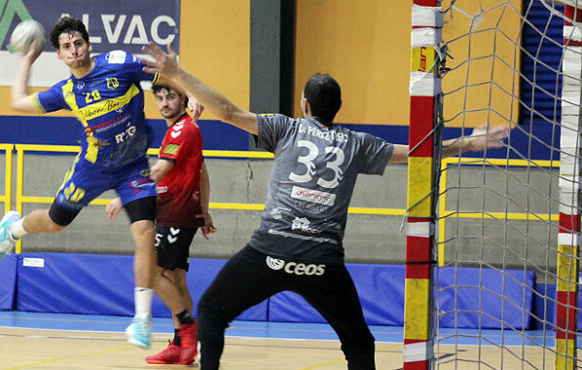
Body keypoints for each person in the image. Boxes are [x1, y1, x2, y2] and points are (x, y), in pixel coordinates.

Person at [140, 42, 510, 369]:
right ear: (339, 108)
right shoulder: (358, 143)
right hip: (322, 262)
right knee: (359, 342)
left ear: (304, 105)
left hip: (269, 251)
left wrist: (178, 73)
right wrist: (470, 143)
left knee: (210, 312)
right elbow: (418, 152)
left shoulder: (287, 128)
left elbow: (226, 111)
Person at [0, 17, 200, 349]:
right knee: (56, 223)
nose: (74, 51)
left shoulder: (120, 64)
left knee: (144, 235)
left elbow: (168, 73)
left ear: (88, 44)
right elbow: (17, 102)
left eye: (78, 43)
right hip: (92, 169)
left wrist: (191, 94)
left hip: (133, 168)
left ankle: (141, 320)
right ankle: (14, 228)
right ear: (59, 55)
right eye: (67, 47)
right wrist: (27, 60)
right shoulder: (67, 91)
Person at [105, 84, 217, 365]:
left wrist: (126, 197)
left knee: (151, 271)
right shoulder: (180, 129)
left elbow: (162, 168)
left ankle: (188, 332)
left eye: (171, 97)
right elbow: (201, 171)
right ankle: (183, 345)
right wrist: (203, 211)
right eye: (161, 98)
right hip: (179, 211)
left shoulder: (182, 129)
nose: (165, 102)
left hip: (176, 212)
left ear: (183, 99)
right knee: (176, 278)